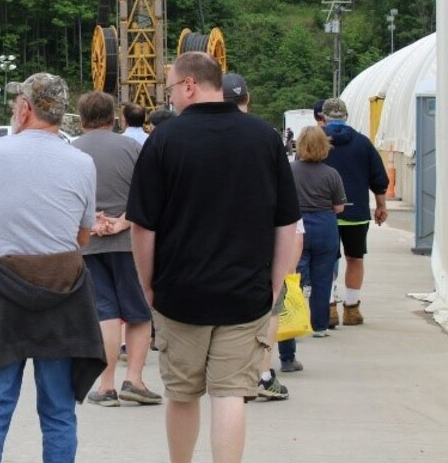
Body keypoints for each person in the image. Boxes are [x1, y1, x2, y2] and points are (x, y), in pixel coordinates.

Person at [127, 52, 300, 463]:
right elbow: (286, 223)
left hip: (180, 292)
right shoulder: (264, 138)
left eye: (170, 87)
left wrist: (148, 284)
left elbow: (142, 227)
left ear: (189, 85)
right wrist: (274, 283)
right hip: (245, 293)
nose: (169, 97)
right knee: (230, 396)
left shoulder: (163, 141)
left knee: (182, 394)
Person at [0, 72, 104, 463]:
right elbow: (82, 235)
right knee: (58, 410)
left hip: (1, 292)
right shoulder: (82, 162)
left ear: (25, 109)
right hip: (62, 291)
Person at [72, 91, 161, 408]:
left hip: (89, 243)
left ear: (81, 119)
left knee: (105, 313)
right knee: (138, 313)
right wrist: (124, 221)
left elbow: (64, 200)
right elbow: (151, 194)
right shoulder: (132, 148)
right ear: (114, 118)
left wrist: (91, 224)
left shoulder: (71, 150)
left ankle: (106, 385)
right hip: (130, 242)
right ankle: (134, 380)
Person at [223, 72, 290, 401]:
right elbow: (288, 213)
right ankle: (262, 373)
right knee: (266, 314)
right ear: (247, 99)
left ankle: (233, 378)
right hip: (258, 249)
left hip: (212, 252)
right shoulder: (266, 137)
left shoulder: (194, 135)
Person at [320, 97, 389, 326]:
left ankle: (328, 309)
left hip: (324, 212)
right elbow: (379, 179)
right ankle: (351, 309)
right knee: (355, 259)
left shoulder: (316, 142)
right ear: (346, 117)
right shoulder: (362, 143)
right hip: (356, 213)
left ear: (324, 117)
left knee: (326, 260)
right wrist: (381, 206)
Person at [284, 126, 346, 359]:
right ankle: (319, 325)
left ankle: (293, 321)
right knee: (323, 277)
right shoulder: (331, 174)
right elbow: (339, 207)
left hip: (297, 224)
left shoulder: (290, 171)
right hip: (325, 224)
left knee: (294, 276)